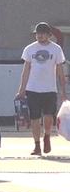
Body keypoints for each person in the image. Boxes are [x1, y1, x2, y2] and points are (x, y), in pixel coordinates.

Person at [16, 22, 67, 155]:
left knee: (48, 115)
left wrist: (63, 92)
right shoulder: (29, 49)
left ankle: (47, 136)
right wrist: (22, 89)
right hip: (32, 88)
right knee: (34, 117)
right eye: (38, 34)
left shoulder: (56, 49)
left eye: (43, 33)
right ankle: (37, 144)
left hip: (50, 88)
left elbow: (60, 70)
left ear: (49, 35)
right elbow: (26, 70)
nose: (40, 36)